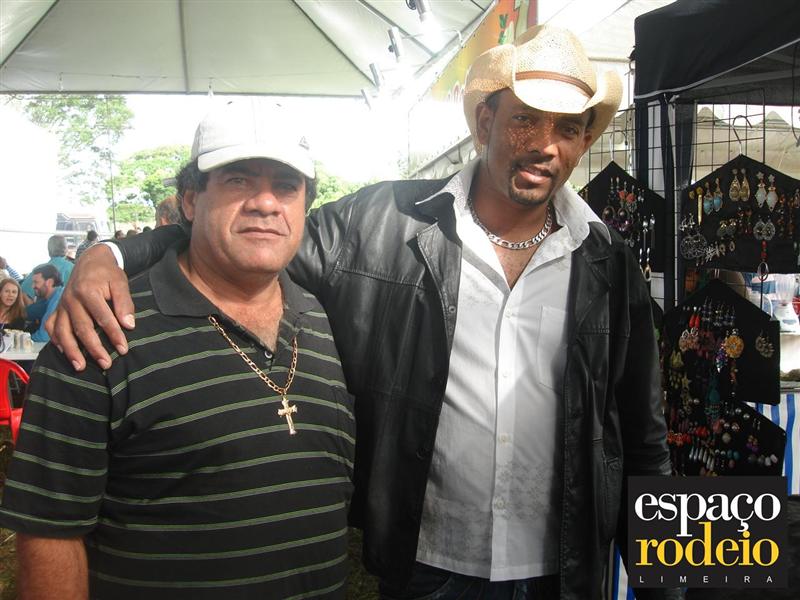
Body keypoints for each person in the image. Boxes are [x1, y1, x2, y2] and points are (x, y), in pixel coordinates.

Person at [49, 26, 671, 600]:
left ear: (584, 141)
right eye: (525, 120)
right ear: (486, 121)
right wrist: (111, 254)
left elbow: (644, 439)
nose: (544, 146)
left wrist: (670, 585)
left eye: (568, 128)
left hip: (565, 572)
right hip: (426, 569)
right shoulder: (378, 225)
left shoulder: (609, 264)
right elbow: (252, 231)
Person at [0, 100, 355, 598]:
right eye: (237, 180)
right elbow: (49, 530)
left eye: (286, 186)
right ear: (189, 201)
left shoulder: (320, 315)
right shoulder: (100, 331)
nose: (265, 202)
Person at [19, 234, 74, 300]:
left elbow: (24, 292)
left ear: (49, 250)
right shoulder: (74, 268)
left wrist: (34, 306)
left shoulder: (39, 269)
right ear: (66, 249)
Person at [27, 264, 64, 342]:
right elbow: (27, 313)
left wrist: (19, 340)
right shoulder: (48, 299)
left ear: (49, 282)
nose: (33, 286)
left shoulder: (58, 299)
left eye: (36, 282)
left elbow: (44, 336)